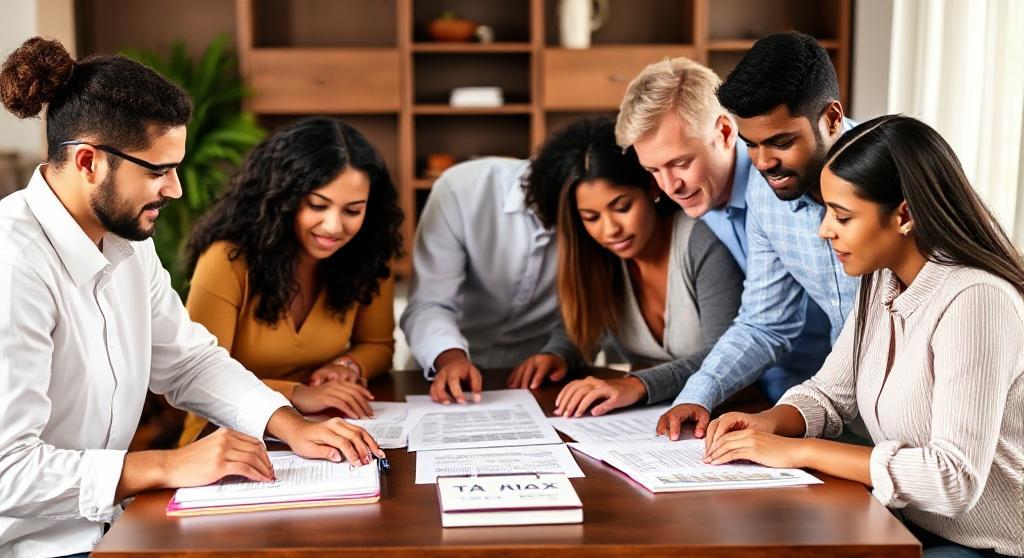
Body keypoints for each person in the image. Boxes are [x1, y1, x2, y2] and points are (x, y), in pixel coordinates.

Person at [0, 38, 382, 558]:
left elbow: (189, 361)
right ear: (88, 161)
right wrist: (168, 465)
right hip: (28, 548)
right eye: (159, 170)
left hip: (108, 524)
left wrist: (287, 422)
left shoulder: (127, 245)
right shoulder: (12, 264)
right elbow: (6, 474)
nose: (176, 189)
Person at [703, 115, 1024, 558]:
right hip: (916, 524)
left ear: (905, 214)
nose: (825, 230)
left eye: (843, 216)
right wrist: (768, 423)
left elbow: (951, 479)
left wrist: (799, 451)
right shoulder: (883, 280)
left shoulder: (976, 300)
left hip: (997, 547)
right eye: (827, 211)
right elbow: (831, 394)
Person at [650, 32, 860, 440]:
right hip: (840, 408)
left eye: (782, 142)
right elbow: (767, 324)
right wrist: (699, 393)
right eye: (752, 145)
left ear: (832, 118)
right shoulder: (766, 192)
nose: (764, 163)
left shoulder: (902, 172)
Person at [616, 55, 834, 406]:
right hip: (768, 396)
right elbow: (764, 321)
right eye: (654, 170)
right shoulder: (698, 199)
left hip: (843, 394)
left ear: (725, 131)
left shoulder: (792, 176)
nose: (670, 185)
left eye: (681, 163)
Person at [177, 117, 403, 445]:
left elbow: (378, 346)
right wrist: (298, 394)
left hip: (319, 426)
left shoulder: (369, 254)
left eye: (352, 211)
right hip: (223, 436)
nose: (333, 226)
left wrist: (347, 365)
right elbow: (201, 379)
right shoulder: (227, 260)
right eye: (317, 205)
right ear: (282, 198)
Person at [522, 117, 743, 417]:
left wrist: (638, 384)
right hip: (655, 421)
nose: (610, 229)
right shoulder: (601, 257)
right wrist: (557, 354)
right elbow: (583, 327)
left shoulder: (701, 240)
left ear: (651, 188)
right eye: (591, 217)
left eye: (622, 207)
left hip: (734, 409)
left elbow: (729, 357)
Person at [400, 156, 580, 405]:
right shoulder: (461, 189)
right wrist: (450, 359)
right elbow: (428, 302)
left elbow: (593, 310)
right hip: (441, 376)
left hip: (541, 384)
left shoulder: (596, 213)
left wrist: (559, 352)